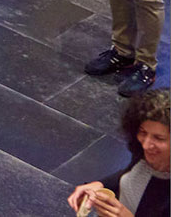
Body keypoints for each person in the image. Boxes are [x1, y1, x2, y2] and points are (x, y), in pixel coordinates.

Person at [67, 89, 169, 217]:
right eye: (143, 132)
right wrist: (101, 185)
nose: (146, 145)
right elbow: (132, 174)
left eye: (159, 138)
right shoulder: (146, 153)